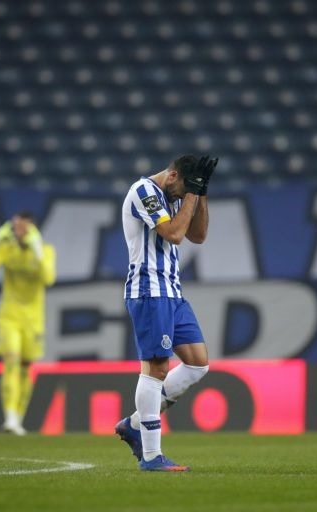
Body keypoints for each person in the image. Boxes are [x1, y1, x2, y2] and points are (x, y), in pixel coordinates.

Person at [115, 154, 217, 471]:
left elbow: (197, 236)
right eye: (183, 189)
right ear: (172, 176)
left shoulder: (178, 193)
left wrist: (200, 194)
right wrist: (190, 194)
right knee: (156, 368)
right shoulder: (144, 191)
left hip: (172, 291)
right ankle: (151, 456)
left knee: (198, 364)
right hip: (148, 290)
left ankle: (134, 423)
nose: (181, 197)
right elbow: (173, 234)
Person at [0, 212, 56, 435]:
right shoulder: (6, 248)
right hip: (9, 315)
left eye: (23, 228)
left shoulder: (45, 251)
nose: (18, 232)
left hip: (33, 319)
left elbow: (48, 278)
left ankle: (17, 418)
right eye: (15, 228)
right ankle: (9, 417)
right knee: (10, 362)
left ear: (32, 230)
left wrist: (37, 247)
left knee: (25, 367)